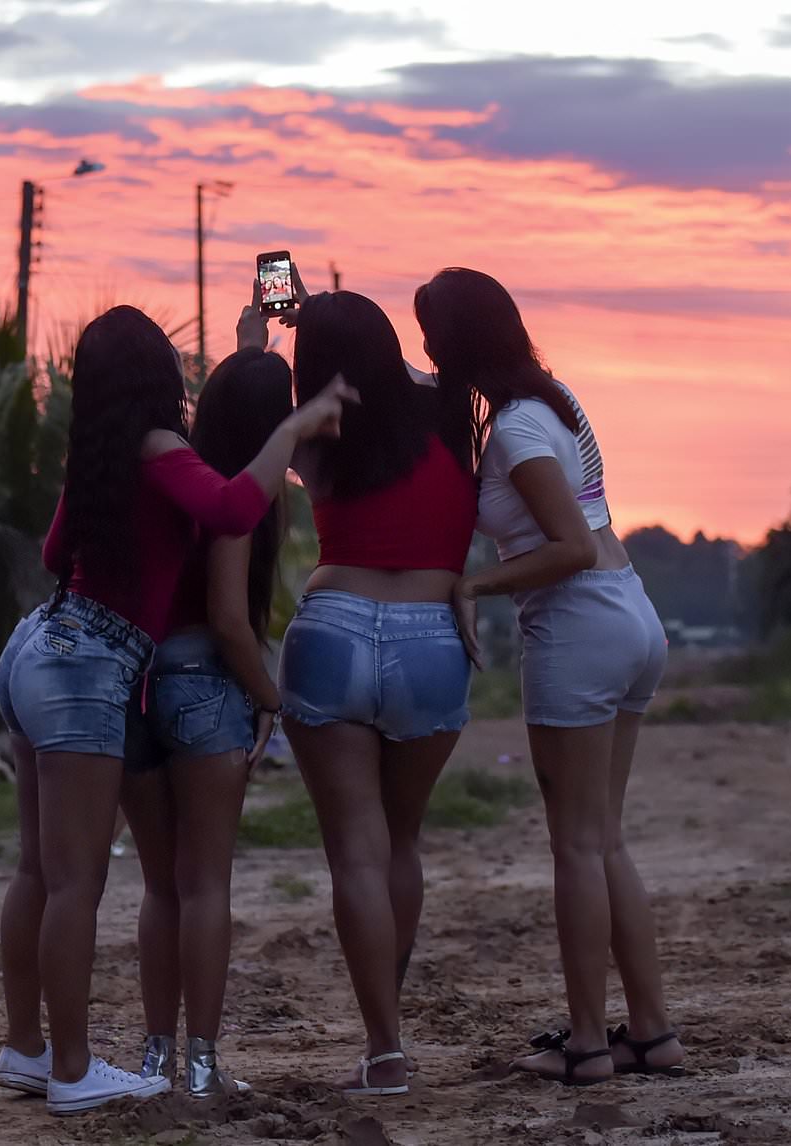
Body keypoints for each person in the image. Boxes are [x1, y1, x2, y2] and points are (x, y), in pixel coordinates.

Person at [0, 305, 354, 1115]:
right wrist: (292, 427)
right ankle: (75, 1070)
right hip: (91, 661)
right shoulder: (161, 449)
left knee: (38, 870)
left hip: (34, 647)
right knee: (79, 882)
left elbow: (56, 556)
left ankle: (26, 1047)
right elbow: (229, 508)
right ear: (160, 378)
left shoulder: (98, 457)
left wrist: (252, 350)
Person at [419, 267, 684, 1085]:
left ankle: (585, 1043)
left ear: (459, 340)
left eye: (432, 333)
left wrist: (472, 584)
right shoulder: (553, 399)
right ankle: (651, 1033)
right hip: (630, 615)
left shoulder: (515, 432)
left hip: (579, 628)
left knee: (574, 844)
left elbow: (565, 546)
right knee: (602, 838)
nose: (427, 348)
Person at [274, 289, 480, 1097]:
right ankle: (386, 1029)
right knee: (402, 842)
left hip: (331, 629)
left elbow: (250, 420)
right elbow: (403, 372)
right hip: (433, 636)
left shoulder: (313, 429)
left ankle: (384, 1048)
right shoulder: (449, 408)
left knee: (355, 853)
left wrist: (265, 340)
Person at [122, 308, 294, 1099]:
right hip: (205, 690)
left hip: (139, 683)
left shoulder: (182, 462)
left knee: (160, 887)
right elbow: (229, 617)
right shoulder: (239, 497)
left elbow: (235, 403)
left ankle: (155, 1060)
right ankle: (203, 1066)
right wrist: (271, 699)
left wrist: (251, 346)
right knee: (207, 888)